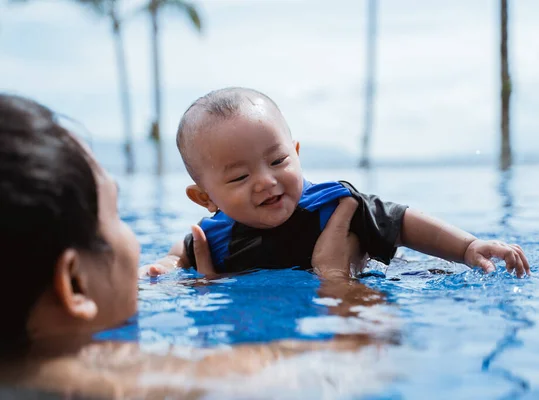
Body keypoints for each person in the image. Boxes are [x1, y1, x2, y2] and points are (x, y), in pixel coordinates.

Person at [0, 93, 378, 398]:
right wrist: (338, 282)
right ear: (76, 284)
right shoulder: (154, 384)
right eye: (116, 216)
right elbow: (364, 365)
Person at [141, 87, 530, 279]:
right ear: (206, 197)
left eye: (278, 161)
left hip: (389, 277)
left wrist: (467, 247)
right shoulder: (218, 234)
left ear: (296, 153)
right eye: (241, 176)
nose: (266, 180)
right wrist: (168, 263)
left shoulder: (332, 204)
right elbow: (190, 244)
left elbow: (403, 222)